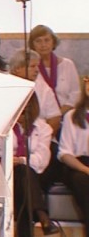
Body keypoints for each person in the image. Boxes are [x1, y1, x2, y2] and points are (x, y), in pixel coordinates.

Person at [0, 95, 58, 237]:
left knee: (24, 174)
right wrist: (10, 161)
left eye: (24, 112)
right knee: (23, 176)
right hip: (5, 173)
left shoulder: (43, 129)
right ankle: (42, 215)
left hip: (34, 176)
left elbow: (41, 161)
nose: (21, 116)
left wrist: (20, 160)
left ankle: (34, 221)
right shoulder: (1, 125)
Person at [58, 77, 89, 235]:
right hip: (77, 164)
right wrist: (85, 169)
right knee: (82, 180)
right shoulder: (72, 116)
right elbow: (65, 153)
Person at [8, 49, 61, 135]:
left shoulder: (43, 87)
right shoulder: (3, 86)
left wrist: (42, 138)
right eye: (32, 66)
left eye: (38, 66)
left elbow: (55, 118)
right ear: (17, 68)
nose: (37, 70)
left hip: (39, 137)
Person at [30, 24, 80, 114]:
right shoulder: (30, 68)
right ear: (32, 45)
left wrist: (59, 114)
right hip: (41, 118)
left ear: (53, 42)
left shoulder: (67, 64)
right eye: (38, 41)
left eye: (47, 40)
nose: (43, 45)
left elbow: (75, 94)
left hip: (67, 114)